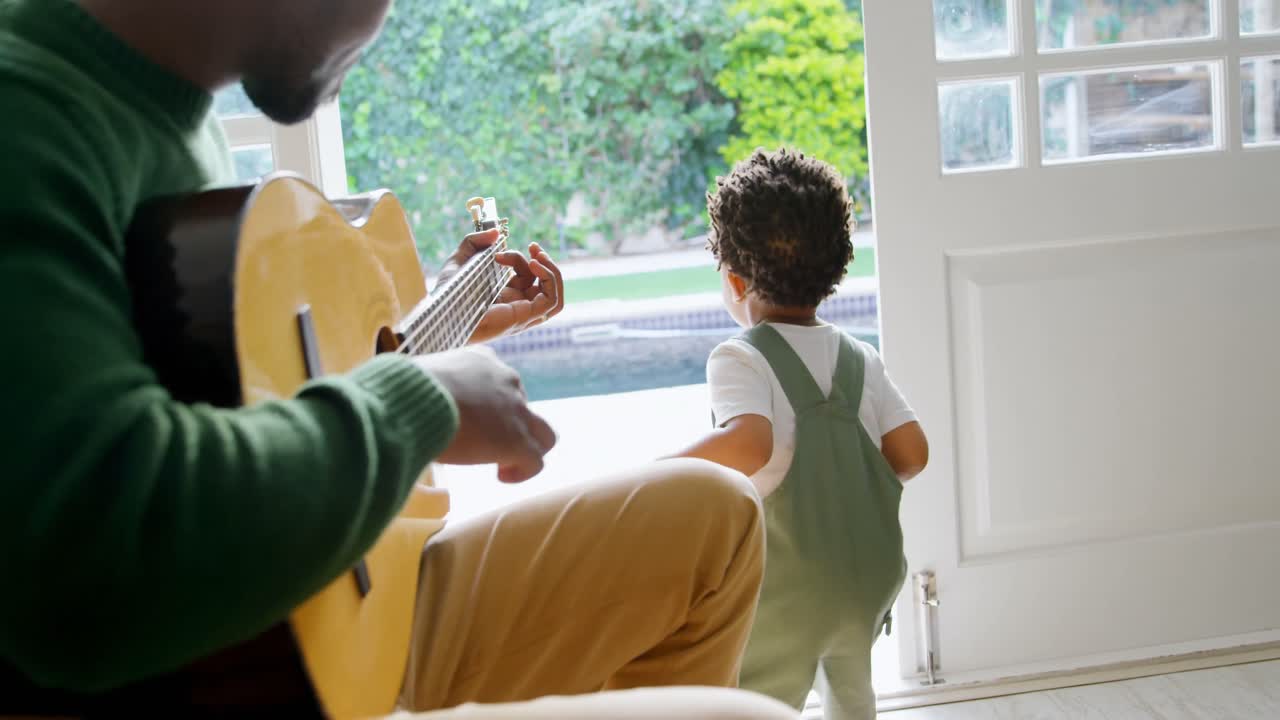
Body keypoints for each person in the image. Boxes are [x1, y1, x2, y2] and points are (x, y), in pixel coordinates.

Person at [0, 1, 797, 717]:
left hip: (307, 619)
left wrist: (446, 329)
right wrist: (423, 402)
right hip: (241, 670)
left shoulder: (173, 112)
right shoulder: (28, 122)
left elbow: (232, 382)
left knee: (714, 515)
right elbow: (84, 576)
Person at [664, 148, 930, 719]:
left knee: (760, 699)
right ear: (834, 269)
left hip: (786, 591)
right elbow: (912, 454)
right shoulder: (860, 357)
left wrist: (663, 472)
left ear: (735, 280)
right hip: (867, 583)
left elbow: (749, 444)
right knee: (851, 696)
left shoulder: (740, 358)